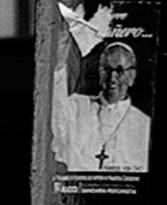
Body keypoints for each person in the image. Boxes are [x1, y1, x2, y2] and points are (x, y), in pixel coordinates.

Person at [52, 11, 151, 175]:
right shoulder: (77, 105)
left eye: (119, 71)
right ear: (99, 72)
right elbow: (58, 118)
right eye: (107, 70)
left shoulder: (143, 125)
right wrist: (60, 63)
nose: (112, 77)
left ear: (131, 76)